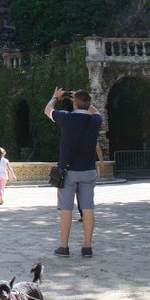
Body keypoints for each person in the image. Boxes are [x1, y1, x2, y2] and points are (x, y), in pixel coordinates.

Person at [44, 88, 103, 258]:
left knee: (66, 210)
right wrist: (81, 100)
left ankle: (64, 247)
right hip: (88, 171)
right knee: (88, 208)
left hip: (68, 172)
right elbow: (95, 111)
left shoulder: (67, 118)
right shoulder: (95, 121)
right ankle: (87, 247)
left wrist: (55, 96)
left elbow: (48, 110)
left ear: (74, 103)